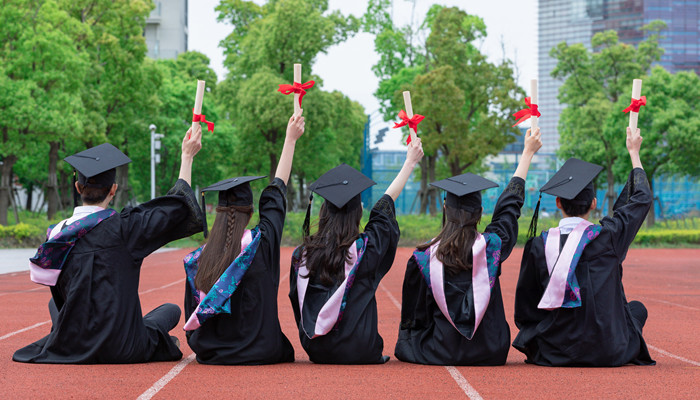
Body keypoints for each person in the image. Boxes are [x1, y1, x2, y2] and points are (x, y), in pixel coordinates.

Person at [14, 124, 205, 364]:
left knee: (57, 302)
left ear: (77, 188)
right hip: (123, 345)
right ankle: (161, 342)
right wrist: (186, 156)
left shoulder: (57, 236)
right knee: (170, 311)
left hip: (73, 342)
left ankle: (70, 334)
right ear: (113, 189)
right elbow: (176, 209)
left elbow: (46, 279)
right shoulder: (126, 228)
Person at [394, 128, 542, 366]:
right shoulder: (492, 247)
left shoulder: (424, 258)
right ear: (481, 212)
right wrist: (527, 153)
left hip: (438, 350)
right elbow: (508, 209)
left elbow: (415, 316)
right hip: (491, 350)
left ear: (445, 209)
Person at [512, 127, 655, 367]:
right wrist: (634, 152)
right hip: (608, 350)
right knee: (636, 310)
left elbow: (525, 309)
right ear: (593, 203)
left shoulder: (539, 245)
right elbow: (641, 199)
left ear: (558, 202)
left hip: (555, 350)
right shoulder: (609, 237)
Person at [182, 111, 304, 365]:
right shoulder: (263, 242)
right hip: (262, 352)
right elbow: (276, 191)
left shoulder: (199, 259)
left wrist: (186, 157)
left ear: (216, 211)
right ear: (250, 213)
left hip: (213, 353)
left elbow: (191, 315)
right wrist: (289, 140)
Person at [289, 139, 424, 364]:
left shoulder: (302, 255)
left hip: (316, 349)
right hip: (361, 349)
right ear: (359, 212)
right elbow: (384, 208)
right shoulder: (366, 250)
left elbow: (297, 302)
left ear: (323, 211)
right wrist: (409, 162)